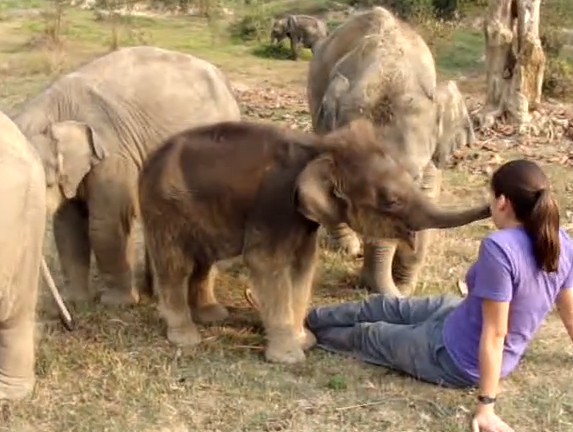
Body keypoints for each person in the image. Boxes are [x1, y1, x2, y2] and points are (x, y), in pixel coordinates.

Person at [304, 159, 573, 432]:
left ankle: (298, 335)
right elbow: (568, 310)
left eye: (490, 197)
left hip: (457, 358)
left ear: (502, 201)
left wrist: (486, 406)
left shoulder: (500, 248)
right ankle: (304, 318)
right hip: (458, 315)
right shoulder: (561, 240)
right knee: (384, 305)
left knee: (369, 334)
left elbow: (495, 333)